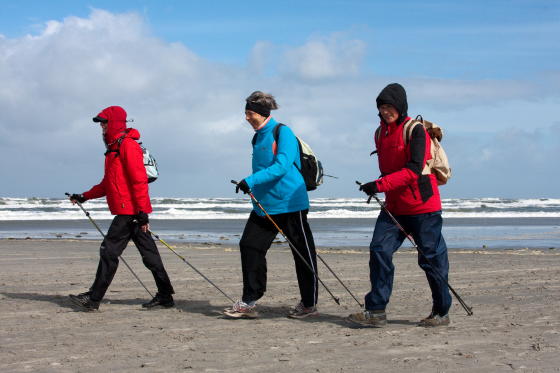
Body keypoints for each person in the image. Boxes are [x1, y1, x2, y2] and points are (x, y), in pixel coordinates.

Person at [347, 83, 452, 327]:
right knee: (378, 250)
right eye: (382, 107)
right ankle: (375, 311)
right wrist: (380, 186)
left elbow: (414, 170)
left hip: (423, 207)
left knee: (431, 260)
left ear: (401, 106)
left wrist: (379, 185)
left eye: (390, 106)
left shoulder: (416, 131)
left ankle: (441, 311)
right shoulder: (379, 133)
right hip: (394, 206)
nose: (385, 111)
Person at [68, 105, 174, 311]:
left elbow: (139, 180)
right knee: (150, 256)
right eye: (101, 124)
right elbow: (107, 184)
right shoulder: (113, 149)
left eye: (104, 123)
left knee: (108, 252)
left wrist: (143, 213)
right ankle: (165, 296)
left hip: (130, 212)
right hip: (129, 211)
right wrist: (84, 196)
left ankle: (93, 299)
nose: (102, 127)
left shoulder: (128, 146)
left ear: (115, 123)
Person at [223, 91, 319, 319]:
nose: (247, 117)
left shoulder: (282, 131)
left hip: (290, 204)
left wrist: (251, 181)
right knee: (249, 246)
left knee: (303, 254)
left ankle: (308, 304)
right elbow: (261, 170)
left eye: (250, 113)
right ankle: (249, 301)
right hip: (264, 206)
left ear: (263, 113)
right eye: (245, 113)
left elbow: (282, 165)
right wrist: (253, 188)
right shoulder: (257, 137)